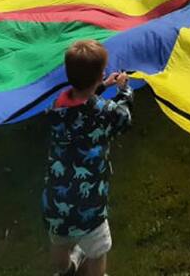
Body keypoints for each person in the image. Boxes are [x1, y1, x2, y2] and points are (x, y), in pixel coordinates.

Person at [42, 40, 133, 276]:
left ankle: (65, 269)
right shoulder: (104, 112)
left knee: (59, 243)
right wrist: (124, 90)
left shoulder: (56, 107)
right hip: (89, 203)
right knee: (97, 251)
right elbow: (123, 118)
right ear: (100, 74)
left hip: (55, 201)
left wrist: (101, 86)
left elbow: (80, 105)